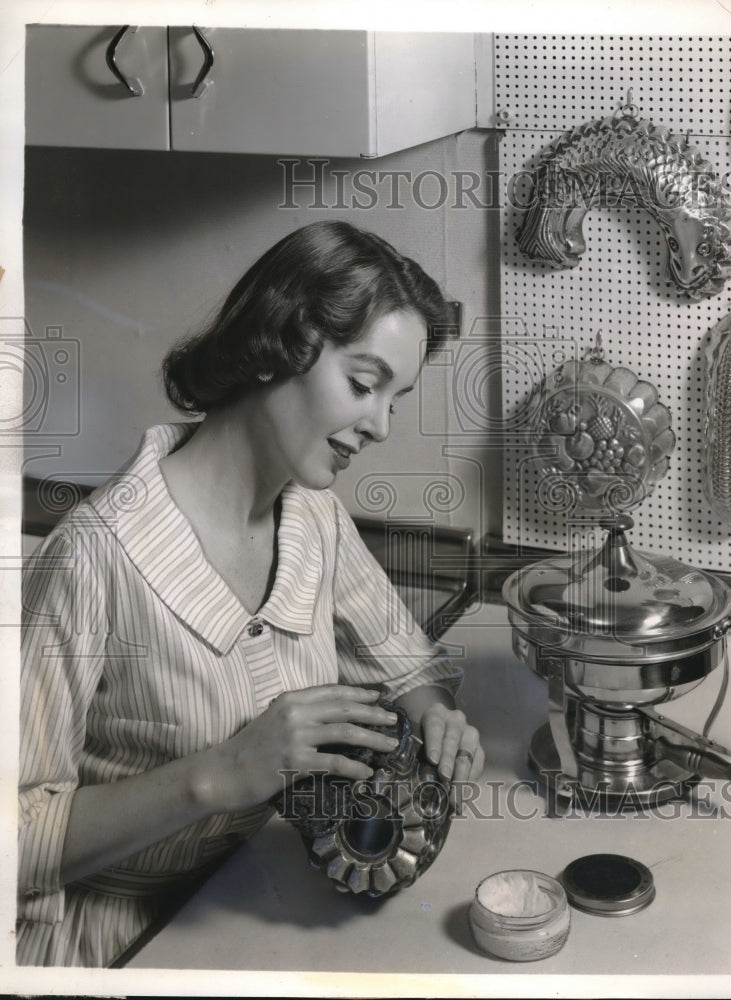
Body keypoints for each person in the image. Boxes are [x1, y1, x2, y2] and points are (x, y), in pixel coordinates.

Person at [18, 221, 485, 967]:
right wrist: (222, 774)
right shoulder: (93, 555)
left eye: (394, 399)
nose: (379, 425)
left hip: (248, 903)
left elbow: (408, 669)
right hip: (117, 949)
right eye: (363, 385)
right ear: (280, 346)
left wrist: (436, 719)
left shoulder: (314, 517)